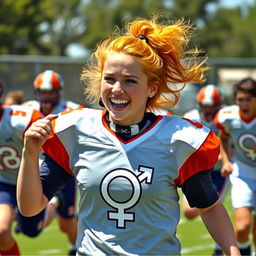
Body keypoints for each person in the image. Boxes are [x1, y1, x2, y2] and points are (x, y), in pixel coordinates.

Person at [17, 17, 240, 255]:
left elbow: (209, 207)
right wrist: (29, 154)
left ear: (152, 88)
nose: (117, 89)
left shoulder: (177, 139)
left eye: (130, 81)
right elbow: (31, 208)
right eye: (110, 79)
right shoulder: (75, 129)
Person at [22, 69, 84, 255]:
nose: (47, 97)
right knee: (32, 216)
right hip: (35, 167)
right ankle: (51, 207)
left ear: (58, 92)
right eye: (44, 92)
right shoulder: (26, 111)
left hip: (63, 169)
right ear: (37, 93)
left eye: (51, 92)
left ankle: (74, 248)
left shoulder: (72, 110)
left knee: (66, 223)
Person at [182, 84, 230, 256]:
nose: (208, 111)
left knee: (209, 209)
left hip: (218, 172)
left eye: (212, 107)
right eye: (205, 106)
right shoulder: (191, 118)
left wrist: (216, 158)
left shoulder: (225, 119)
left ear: (218, 106)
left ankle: (219, 249)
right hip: (195, 171)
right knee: (189, 212)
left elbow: (230, 149)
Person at [0, 79, 43, 255]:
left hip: (29, 182)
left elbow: (49, 150)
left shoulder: (20, 119)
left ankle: (53, 203)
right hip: (3, 184)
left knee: (31, 231)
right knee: (2, 232)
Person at [214, 77, 256, 256]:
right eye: (240, 99)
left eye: (248, 99)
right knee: (242, 228)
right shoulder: (227, 117)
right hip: (243, 174)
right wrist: (226, 161)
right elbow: (223, 138)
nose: (244, 104)